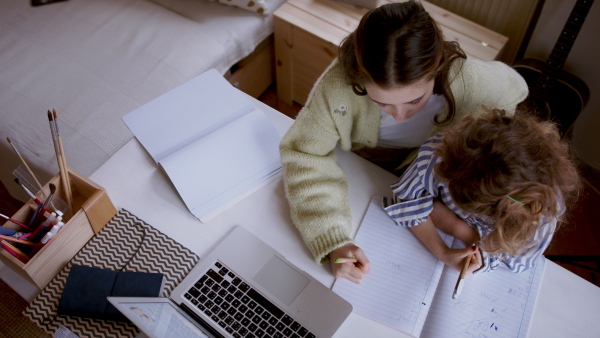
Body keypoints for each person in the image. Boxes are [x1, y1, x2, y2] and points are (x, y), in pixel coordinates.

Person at [279, 1, 528, 283]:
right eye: (381, 103)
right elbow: (304, 154)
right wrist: (333, 239)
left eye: (414, 101)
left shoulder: (468, 79)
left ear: (437, 69)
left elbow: (516, 89)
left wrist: (473, 137)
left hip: (430, 182)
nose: (399, 117)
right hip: (365, 169)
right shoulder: (338, 88)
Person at [383, 109, 580, 274]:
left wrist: (456, 226)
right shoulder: (443, 152)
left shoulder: (539, 211)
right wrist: (442, 251)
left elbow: (517, 262)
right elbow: (405, 198)